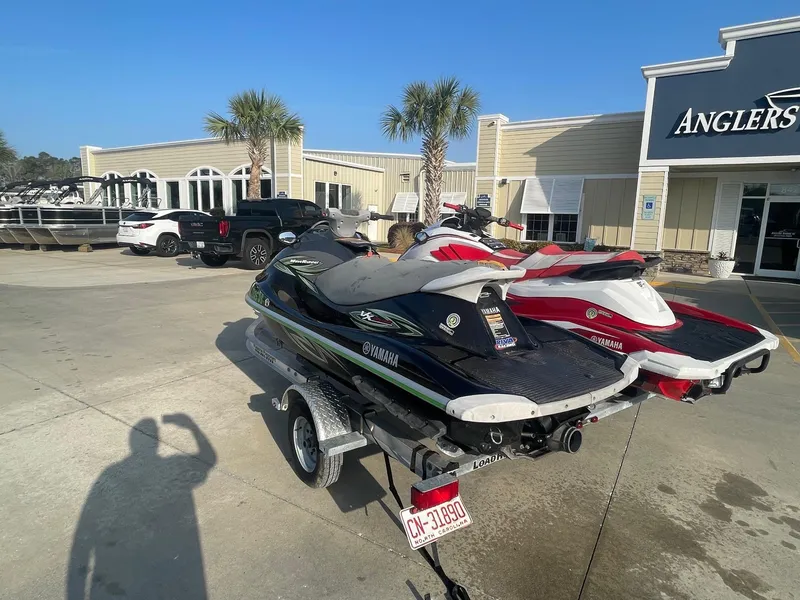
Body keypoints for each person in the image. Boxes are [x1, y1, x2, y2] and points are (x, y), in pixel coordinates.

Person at [66, 414, 216, 600]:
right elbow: (208, 458)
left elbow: (84, 533)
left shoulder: (111, 474)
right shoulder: (174, 466)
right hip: (168, 575)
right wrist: (191, 426)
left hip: (122, 575)